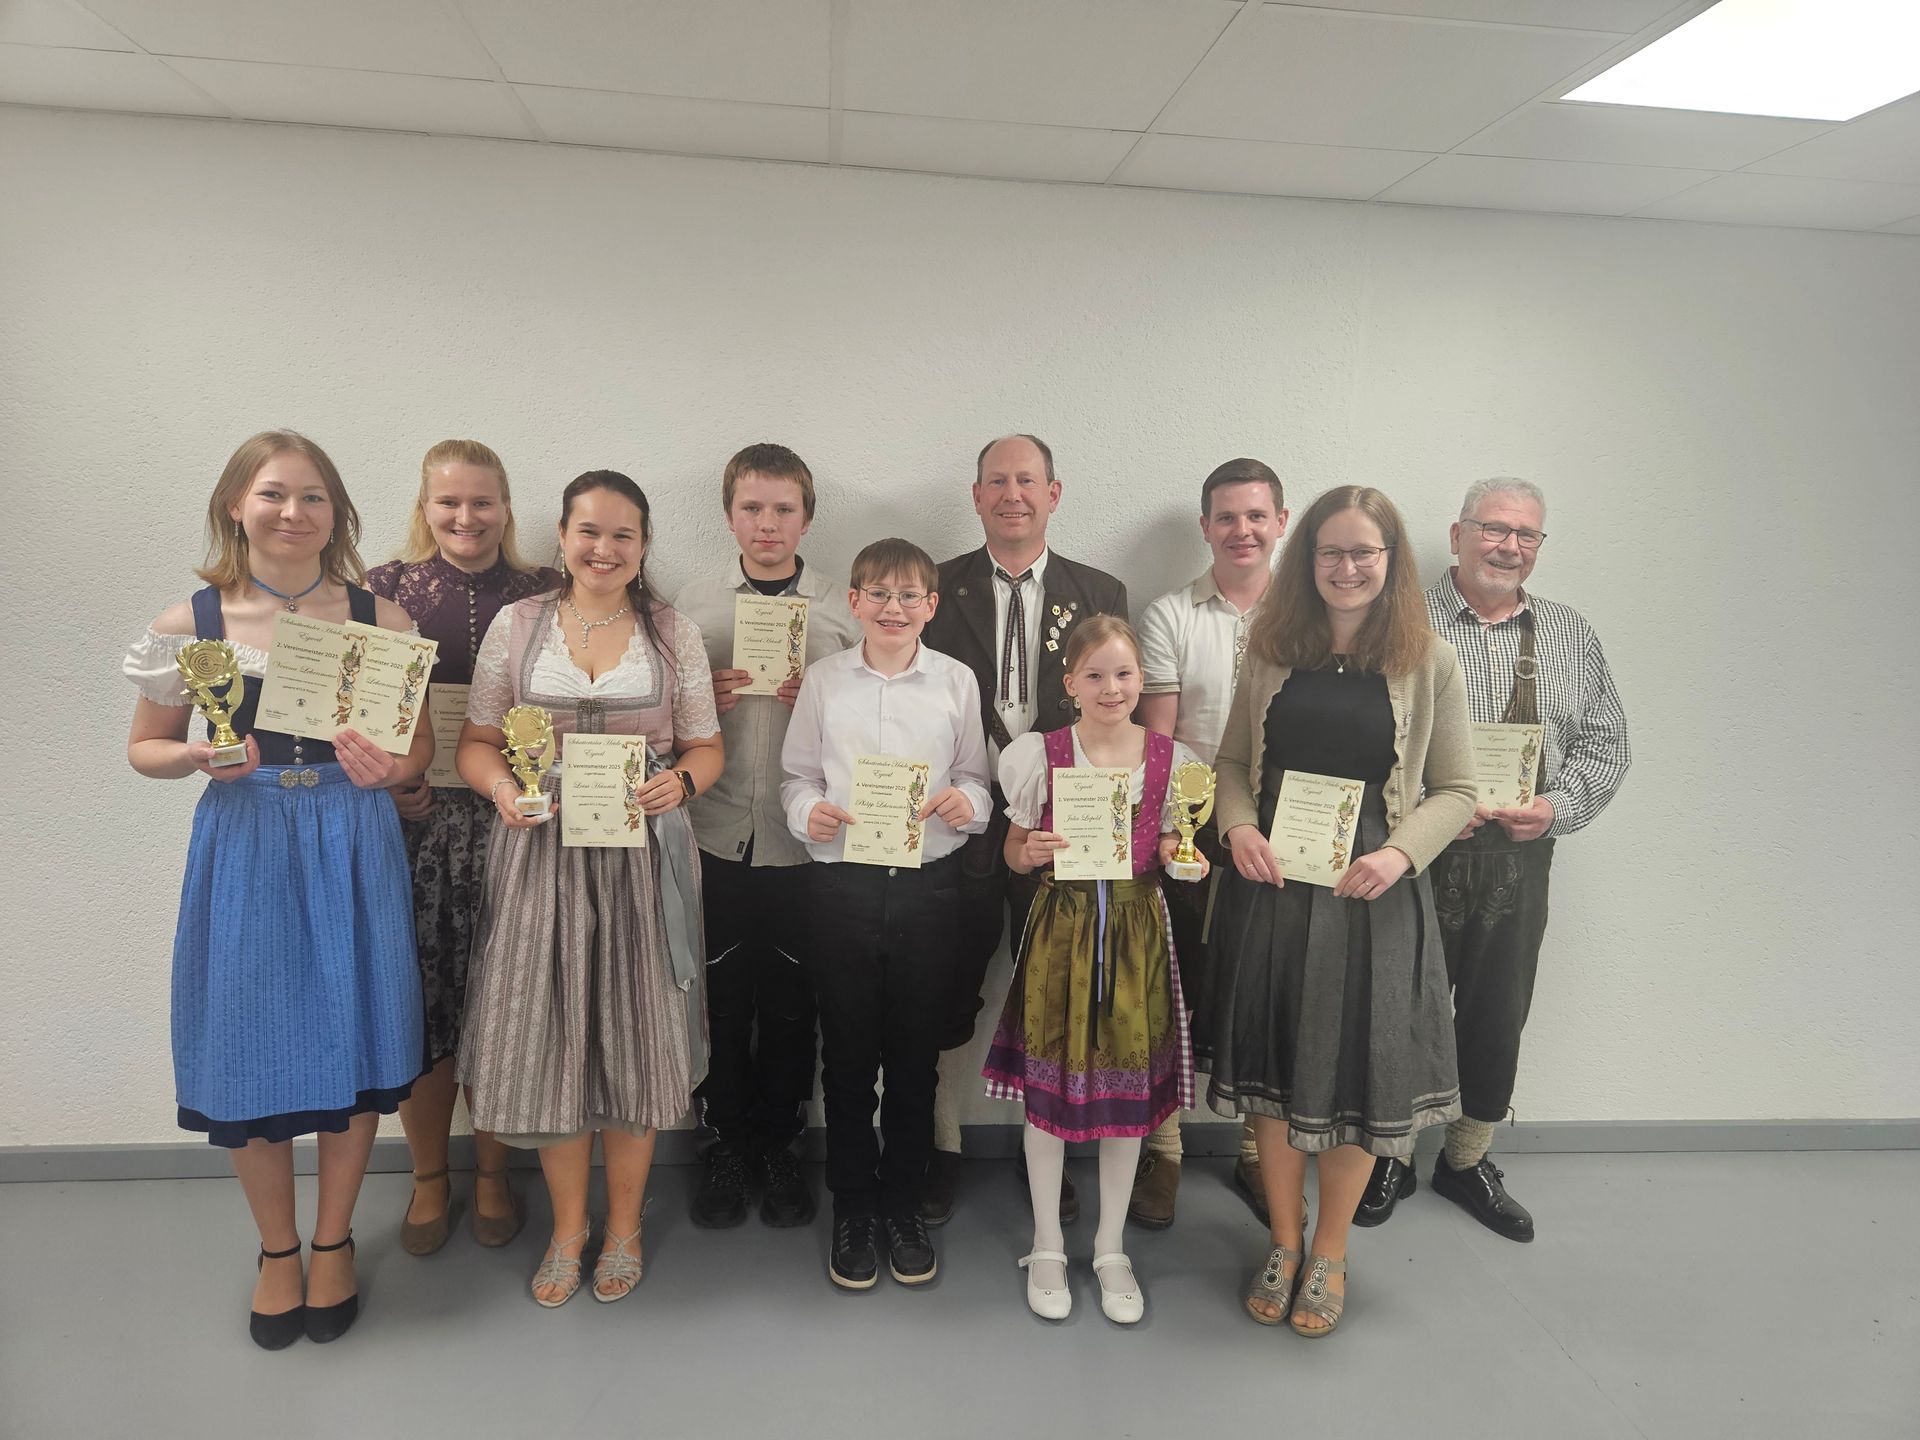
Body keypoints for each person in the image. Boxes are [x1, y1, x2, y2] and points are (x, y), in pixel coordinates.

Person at [124, 430, 430, 1349]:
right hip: (247, 835)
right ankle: (277, 1250)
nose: (292, 512)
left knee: (354, 1035)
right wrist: (191, 757)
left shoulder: (382, 621)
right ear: (236, 505)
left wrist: (391, 770)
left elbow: (416, 747)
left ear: (337, 513)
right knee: (246, 1041)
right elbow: (144, 748)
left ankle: (333, 1241)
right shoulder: (190, 624)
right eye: (272, 494)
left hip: (353, 835)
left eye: (312, 497)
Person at [1202, 485, 1476, 1337]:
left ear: (1391, 560)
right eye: (1331, 551)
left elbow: (1458, 790)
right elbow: (1231, 763)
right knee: (1275, 1074)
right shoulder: (1270, 645)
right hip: (1275, 887)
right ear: (1307, 558)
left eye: (1364, 552)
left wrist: (1398, 854)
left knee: (1356, 1078)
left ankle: (1330, 1251)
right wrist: (1237, 828)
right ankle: (1283, 1242)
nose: (1347, 567)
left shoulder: (1430, 659)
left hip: (1373, 893)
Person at [455, 470, 723, 1308]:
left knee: (636, 1037)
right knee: (555, 1038)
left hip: (642, 858)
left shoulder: (672, 632)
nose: (603, 549)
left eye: (622, 535)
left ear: (643, 546)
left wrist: (682, 781)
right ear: (564, 537)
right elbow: (477, 740)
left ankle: (625, 1228)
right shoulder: (518, 626)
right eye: (589, 531)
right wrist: (503, 789)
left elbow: (706, 747)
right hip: (543, 854)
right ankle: (568, 1230)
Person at [1354, 478, 1629, 1239]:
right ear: (1457, 534)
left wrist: (1556, 809)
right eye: (1493, 529)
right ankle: (1390, 1155)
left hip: (1520, 858)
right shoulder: (1396, 623)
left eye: (1525, 535)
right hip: (1416, 855)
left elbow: (1606, 743)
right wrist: (1425, 810)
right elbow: (1358, 737)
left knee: (1496, 1010)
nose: (1508, 546)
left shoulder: (1570, 634)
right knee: (1400, 1006)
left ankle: (1467, 1157)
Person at [922, 433, 1127, 1225]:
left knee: (1054, 994)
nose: (1013, 494)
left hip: (1062, 826)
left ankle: (1049, 1144)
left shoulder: (1099, 590)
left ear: (1053, 493)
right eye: (998, 482)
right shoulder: (936, 587)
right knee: (949, 987)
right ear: (977, 497)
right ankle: (941, 1143)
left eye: (1028, 481)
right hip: (956, 819)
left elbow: (1113, 708)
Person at [780, 538, 991, 1290]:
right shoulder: (825, 681)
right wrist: (808, 813)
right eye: (878, 594)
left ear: (931, 606)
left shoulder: (956, 681)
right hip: (842, 889)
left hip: (930, 889)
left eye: (908, 596)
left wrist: (968, 804)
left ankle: (902, 1203)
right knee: (846, 1059)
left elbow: (976, 778)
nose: (893, 608)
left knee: (912, 1061)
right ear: (854, 602)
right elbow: (797, 776)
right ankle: (853, 1205)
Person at [368, 438, 558, 1257]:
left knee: (498, 1001)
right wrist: (390, 782)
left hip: (516, 824)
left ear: (506, 507)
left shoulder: (544, 592)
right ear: (425, 505)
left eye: (482, 501)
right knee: (424, 1004)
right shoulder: (381, 590)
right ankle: (427, 1176)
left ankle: (492, 1173)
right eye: (448, 501)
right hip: (414, 827)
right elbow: (354, 709)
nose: (466, 516)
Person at [984, 615, 1202, 1324]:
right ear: (1070, 682)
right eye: (1097, 675)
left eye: (1125, 674)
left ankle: (1110, 1247)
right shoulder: (1038, 755)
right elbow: (1014, 848)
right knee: (1049, 1092)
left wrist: (1180, 859)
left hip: (1138, 933)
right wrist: (1029, 853)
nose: (1113, 688)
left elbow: (1171, 844)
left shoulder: (1171, 759)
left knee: (1126, 1097)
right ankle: (1047, 1242)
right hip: (1063, 930)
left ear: (1142, 680)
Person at [672, 443, 861, 1229]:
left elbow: (873, 727)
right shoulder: (693, 606)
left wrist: (824, 697)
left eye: (784, 509)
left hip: (801, 843)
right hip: (713, 834)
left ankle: (782, 1144)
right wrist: (696, 701)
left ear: (807, 519)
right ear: (729, 516)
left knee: (790, 1002)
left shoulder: (841, 610)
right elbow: (658, 719)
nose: (767, 523)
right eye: (751, 507)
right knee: (719, 1001)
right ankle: (724, 1143)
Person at [1132, 457, 1288, 1229]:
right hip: (1189, 826)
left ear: (1281, 523)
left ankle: (1259, 1154)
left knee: (1266, 993)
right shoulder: (1170, 614)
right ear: (1206, 527)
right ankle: (1164, 1151)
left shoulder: (1311, 614)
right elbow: (1160, 737)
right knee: (1175, 990)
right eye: (1227, 516)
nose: (1242, 530)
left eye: (1256, 515)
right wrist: (1168, 827)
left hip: (1285, 832)